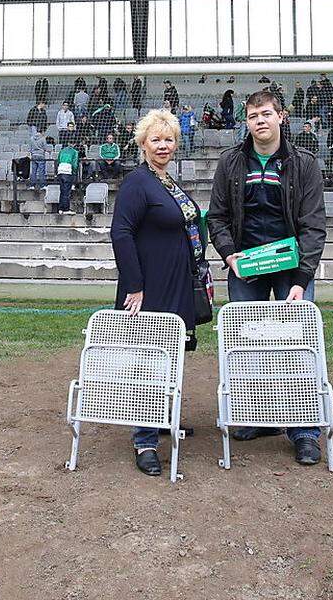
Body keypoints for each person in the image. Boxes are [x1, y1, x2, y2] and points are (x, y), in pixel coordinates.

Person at [206, 89, 327, 467]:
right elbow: (217, 217)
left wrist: (302, 276)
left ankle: (305, 430)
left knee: (297, 347)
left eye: (266, 113)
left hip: (292, 269)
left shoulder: (304, 163)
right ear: (246, 121)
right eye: (253, 114)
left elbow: (313, 224)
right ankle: (259, 416)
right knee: (246, 346)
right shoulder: (230, 163)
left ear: (281, 117)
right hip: (248, 267)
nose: (260, 120)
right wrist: (229, 255)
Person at [110, 109, 206, 477]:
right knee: (147, 362)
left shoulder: (168, 182)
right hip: (148, 287)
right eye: (156, 140)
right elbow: (121, 233)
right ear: (143, 143)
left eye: (168, 140)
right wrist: (134, 286)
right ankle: (144, 439)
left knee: (171, 357)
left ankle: (163, 420)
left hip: (176, 283)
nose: (163, 145)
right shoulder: (138, 182)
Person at [55, 140, 80, 214]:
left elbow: (58, 161)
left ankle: (60, 209)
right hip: (68, 171)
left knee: (62, 190)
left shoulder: (62, 151)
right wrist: (74, 173)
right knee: (67, 191)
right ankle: (66, 209)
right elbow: (74, 164)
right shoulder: (75, 152)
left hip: (60, 170)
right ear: (74, 144)